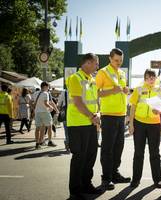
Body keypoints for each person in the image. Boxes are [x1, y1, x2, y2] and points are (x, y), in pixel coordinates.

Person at [66, 53, 102, 200]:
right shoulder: (76, 78)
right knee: (79, 157)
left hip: (90, 124)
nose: (97, 66)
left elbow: (96, 101)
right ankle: (75, 190)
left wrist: (98, 114)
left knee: (90, 156)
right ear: (87, 63)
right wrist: (93, 116)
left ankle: (87, 184)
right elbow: (78, 102)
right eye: (96, 63)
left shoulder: (92, 79)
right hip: (77, 124)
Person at [96, 48, 131, 190]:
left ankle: (115, 173)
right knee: (107, 148)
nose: (119, 63)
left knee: (119, 147)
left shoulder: (122, 73)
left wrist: (126, 90)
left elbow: (122, 90)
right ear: (110, 59)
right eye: (116, 60)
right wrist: (113, 90)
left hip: (121, 115)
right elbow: (96, 93)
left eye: (121, 61)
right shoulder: (102, 72)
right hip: (108, 115)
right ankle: (106, 178)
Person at [128, 69, 161, 188]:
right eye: (149, 77)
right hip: (139, 124)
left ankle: (158, 180)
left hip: (155, 124)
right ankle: (135, 180)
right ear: (145, 78)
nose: (151, 79)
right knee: (138, 153)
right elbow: (133, 107)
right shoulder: (138, 90)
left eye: (153, 77)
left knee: (155, 153)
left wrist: (159, 111)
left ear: (155, 78)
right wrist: (131, 124)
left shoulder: (160, 91)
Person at [33, 82, 58, 149]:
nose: (48, 88)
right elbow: (46, 103)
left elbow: (31, 102)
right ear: (45, 86)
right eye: (48, 87)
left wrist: (35, 109)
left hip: (37, 112)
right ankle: (50, 141)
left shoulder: (35, 93)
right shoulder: (45, 93)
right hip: (45, 112)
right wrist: (51, 107)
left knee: (38, 128)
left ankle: (37, 143)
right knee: (49, 126)